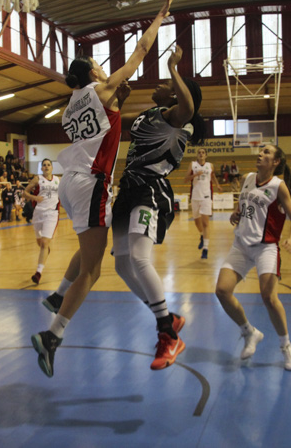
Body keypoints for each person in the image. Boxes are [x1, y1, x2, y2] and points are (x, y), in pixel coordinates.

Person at [32, 0, 173, 378]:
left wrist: (117, 100)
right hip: (91, 182)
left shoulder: (68, 109)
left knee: (95, 238)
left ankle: (59, 291)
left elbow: (105, 123)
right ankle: (53, 335)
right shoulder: (104, 87)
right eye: (96, 64)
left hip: (69, 183)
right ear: (93, 73)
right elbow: (141, 51)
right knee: (93, 270)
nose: (101, 67)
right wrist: (159, 18)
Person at [111, 45, 205, 370]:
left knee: (139, 258)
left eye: (166, 83)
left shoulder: (179, 121)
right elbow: (122, 130)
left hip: (150, 189)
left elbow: (190, 107)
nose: (159, 84)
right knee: (122, 266)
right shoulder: (148, 115)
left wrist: (173, 67)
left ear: (176, 94)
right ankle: (169, 317)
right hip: (128, 189)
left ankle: (168, 335)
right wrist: (119, 103)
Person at [215, 144, 291, 370]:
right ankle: (249, 332)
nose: (260, 154)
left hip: (266, 247)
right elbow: (244, 201)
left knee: (269, 298)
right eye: (260, 151)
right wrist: (237, 211)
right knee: (222, 290)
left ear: (275, 162)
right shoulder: (248, 177)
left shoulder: (278, 186)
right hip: (241, 245)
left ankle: (286, 347)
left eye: (266, 152)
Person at [23, 158, 60, 285]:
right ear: (41, 168)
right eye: (44, 165)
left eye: (48, 165)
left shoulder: (57, 180)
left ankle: (38, 273)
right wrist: (34, 197)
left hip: (52, 214)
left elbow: (62, 196)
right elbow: (25, 193)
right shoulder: (37, 179)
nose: (46, 167)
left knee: (44, 242)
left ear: (52, 167)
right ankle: (46, 250)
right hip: (38, 213)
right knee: (40, 243)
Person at [185, 147, 222, 259]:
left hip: (206, 196)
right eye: (199, 153)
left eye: (203, 153)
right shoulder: (192, 165)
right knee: (197, 222)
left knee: (205, 222)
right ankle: (201, 235)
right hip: (195, 196)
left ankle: (205, 248)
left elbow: (213, 175)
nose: (201, 154)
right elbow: (186, 179)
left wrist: (217, 185)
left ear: (206, 155)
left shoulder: (210, 165)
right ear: (197, 155)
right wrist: (195, 175)